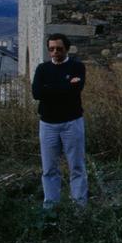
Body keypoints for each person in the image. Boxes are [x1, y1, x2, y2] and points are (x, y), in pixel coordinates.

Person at [31, 33, 88, 209]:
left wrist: (49, 89)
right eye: (51, 49)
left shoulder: (77, 67)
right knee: (49, 169)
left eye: (59, 49)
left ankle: (79, 208)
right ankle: (50, 209)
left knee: (77, 166)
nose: (55, 52)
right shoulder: (42, 69)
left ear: (67, 49)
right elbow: (36, 94)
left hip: (72, 123)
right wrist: (65, 86)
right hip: (48, 124)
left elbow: (74, 91)